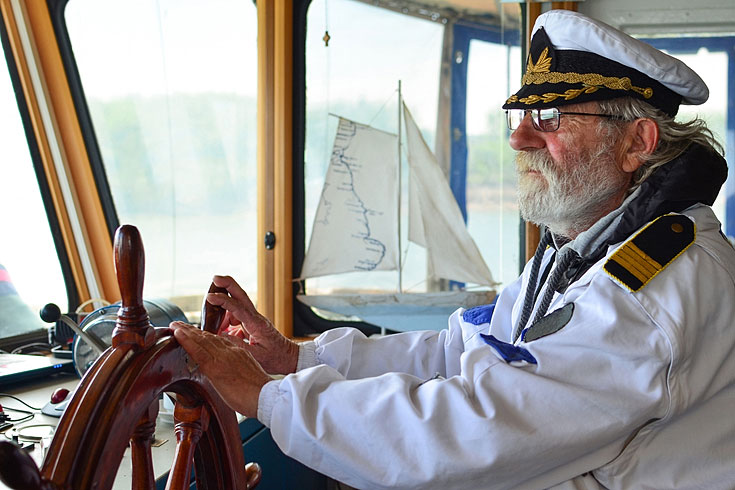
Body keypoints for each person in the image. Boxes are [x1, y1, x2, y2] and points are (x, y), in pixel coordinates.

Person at [171, 10, 735, 489]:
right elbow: (464, 351)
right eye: (522, 116)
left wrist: (268, 396)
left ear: (638, 142)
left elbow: (477, 429)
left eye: (551, 117)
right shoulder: (583, 251)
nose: (519, 137)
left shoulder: (653, 293)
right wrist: (299, 360)